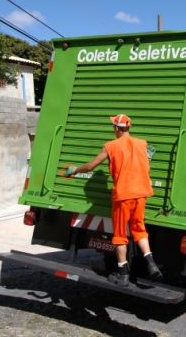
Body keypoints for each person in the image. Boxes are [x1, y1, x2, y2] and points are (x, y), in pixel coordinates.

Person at [64, 114, 162, 287]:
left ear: (117, 128)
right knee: (139, 230)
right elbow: (146, 168)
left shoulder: (110, 146)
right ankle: (151, 264)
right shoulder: (142, 144)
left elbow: (91, 166)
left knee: (120, 236)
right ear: (128, 127)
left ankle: (123, 275)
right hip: (141, 194)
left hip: (123, 195)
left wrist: (74, 170)